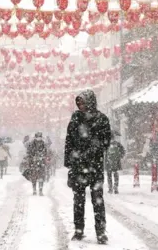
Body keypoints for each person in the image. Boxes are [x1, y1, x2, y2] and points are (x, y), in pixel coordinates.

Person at [64, 90, 111, 244]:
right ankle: (78, 230)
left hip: (95, 165)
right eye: (79, 103)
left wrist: (93, 148)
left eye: (83, 102)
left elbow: (106, 142)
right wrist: (69, 162)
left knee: (97, 200)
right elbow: (69, 141)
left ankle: (101, 232)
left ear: (90, 102)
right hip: (78, 167)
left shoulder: (102, 119)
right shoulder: (75, 119)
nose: (81, 105)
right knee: (78, 200)